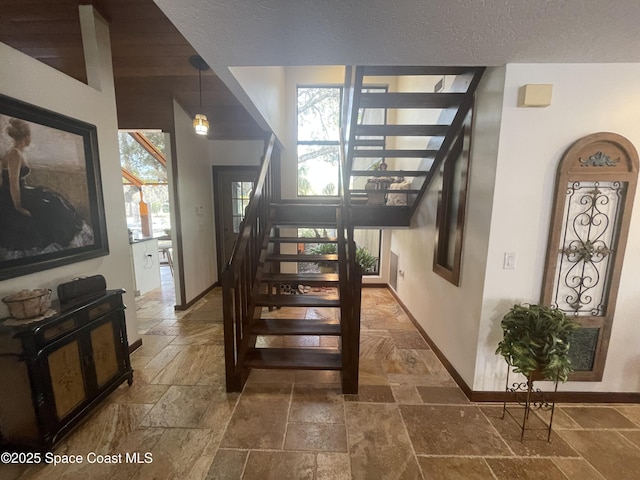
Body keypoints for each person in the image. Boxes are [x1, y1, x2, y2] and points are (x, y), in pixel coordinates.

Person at [0, 118, 92, 256]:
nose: (30, 138)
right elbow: (13, 184)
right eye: (30, 135)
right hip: (15, 195)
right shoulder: (14, 154)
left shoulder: (16, 153)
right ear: (26, 136)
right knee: (52, 206)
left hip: (21, 191)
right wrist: (18, 206)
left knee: (54, 201)